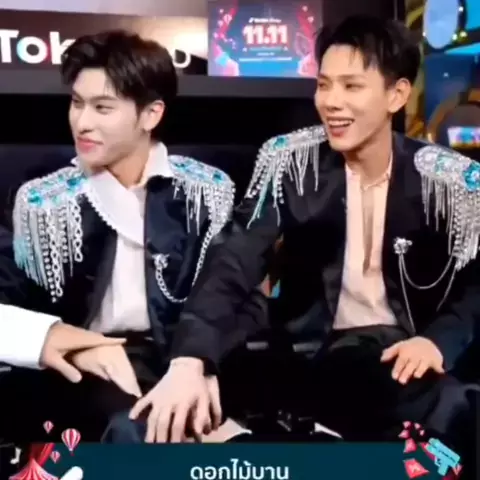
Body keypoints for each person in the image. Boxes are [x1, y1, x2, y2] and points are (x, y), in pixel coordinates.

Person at [139, 15, 480, 462]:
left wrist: (437, 341)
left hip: (405, 357)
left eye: (351, 86)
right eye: (324, 85)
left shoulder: (448, 180)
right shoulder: (291, 163)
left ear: (396, 95)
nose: (331, 102)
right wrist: (190, 359)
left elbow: (476, 286)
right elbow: (233, 259)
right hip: (312, 356)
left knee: (453, 411)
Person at [0, 30, 266, 443]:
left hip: (187, 358)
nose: (82, 122)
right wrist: (66, 342)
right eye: (76, 103)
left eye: (102, 107)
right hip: (87, 372)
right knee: (133, 430)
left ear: (151, 115)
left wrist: (201, 360)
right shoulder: (40, 201)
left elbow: (244, 298)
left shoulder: (207, 192)